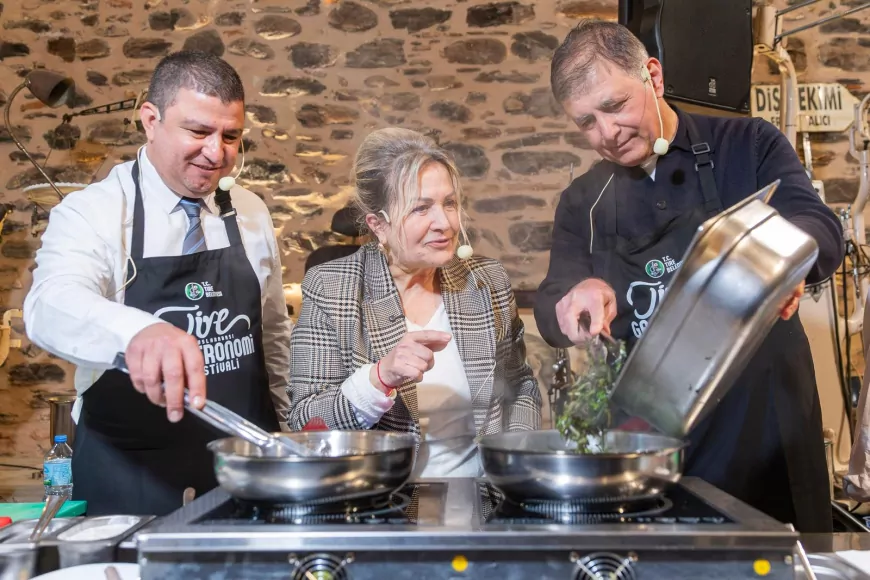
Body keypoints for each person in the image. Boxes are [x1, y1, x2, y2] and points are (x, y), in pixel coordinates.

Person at [534, 20, 844, 533]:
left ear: (653, 76)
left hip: (767, 430)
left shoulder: (747, 145)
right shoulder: (583, 202)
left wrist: (786, 262)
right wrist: (573, 297)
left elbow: (820, 228)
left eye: (615, 106)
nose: (607, 134)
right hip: (653, 444)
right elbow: (551, 301)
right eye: (586, 122)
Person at [23, 51, 292, 516]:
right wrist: (138, 331)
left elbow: (270, 334)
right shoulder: (96, 211)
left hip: (243, 467)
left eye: (231, 136)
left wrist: (287, 422)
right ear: (151, 119)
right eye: (199, 132)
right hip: (131, 473)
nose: (217, 153)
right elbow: (48, 304)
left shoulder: (250, 211)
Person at [288, 127, 542, 478]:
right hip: (381, 509)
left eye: (449, 204)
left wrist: (513, 467)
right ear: (379, 225)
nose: (445, 223)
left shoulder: (487, 283)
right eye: (422, 209)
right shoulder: (333, 288)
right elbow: (306, 421)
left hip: (483, 508)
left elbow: (520, 386)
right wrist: (379, 377)